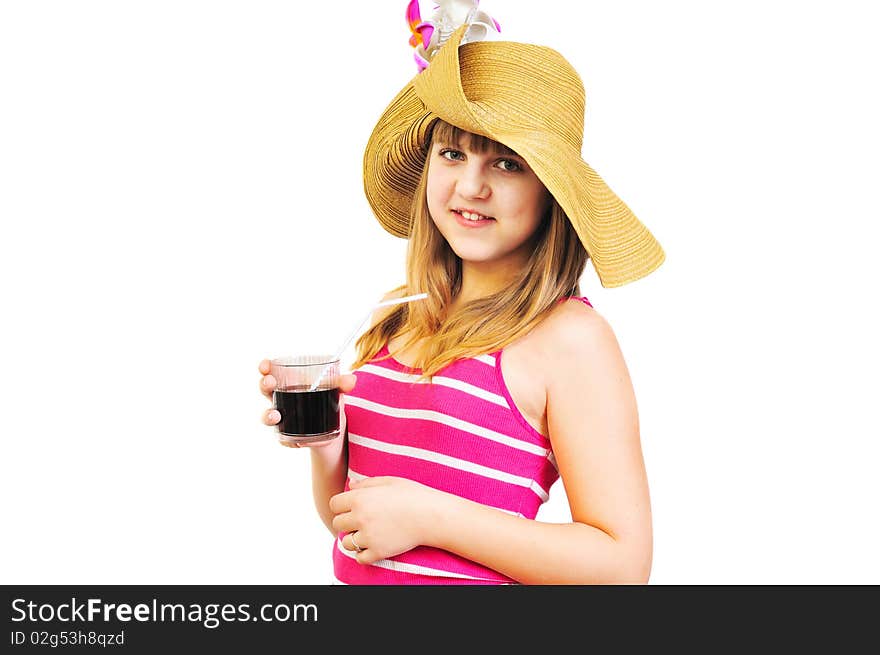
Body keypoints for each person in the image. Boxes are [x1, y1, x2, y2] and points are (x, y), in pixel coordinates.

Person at [258, 1, 664, 584]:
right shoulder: (399, 318)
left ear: (551, 190)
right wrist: (326, 444)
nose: (470, 186)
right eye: (453, 153)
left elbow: (622, 568)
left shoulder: (570, 339)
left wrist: (431, 516)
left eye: (506, 163)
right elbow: (360, 531)